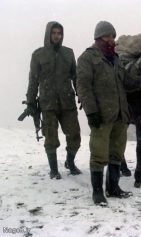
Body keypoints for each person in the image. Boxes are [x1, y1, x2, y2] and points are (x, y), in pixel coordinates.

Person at [77, 21, 132, 206]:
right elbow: (83, 87)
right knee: (99, 154)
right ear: (98, 37)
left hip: (120, 115)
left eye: (113, 36)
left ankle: (113, 188)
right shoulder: (87, 58)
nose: (111, 40)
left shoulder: (116, 59)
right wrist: (91, 112)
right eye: (107, 36)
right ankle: (98, 192)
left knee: (117, 153)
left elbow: (127, 84)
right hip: (101, 115)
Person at [26, 21, 81, 179]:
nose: (57, 36)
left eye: (59, 33)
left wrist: (82, 96)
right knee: (50, 137)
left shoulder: (68, 53)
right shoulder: (38, 55)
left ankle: (70, 162)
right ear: (48, 34)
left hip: (67, 102)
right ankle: (54, 170)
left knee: (75, 135)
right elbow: (33, 80)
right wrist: (30, 101)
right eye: (54, 33)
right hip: (48, 103)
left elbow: (76, 77)